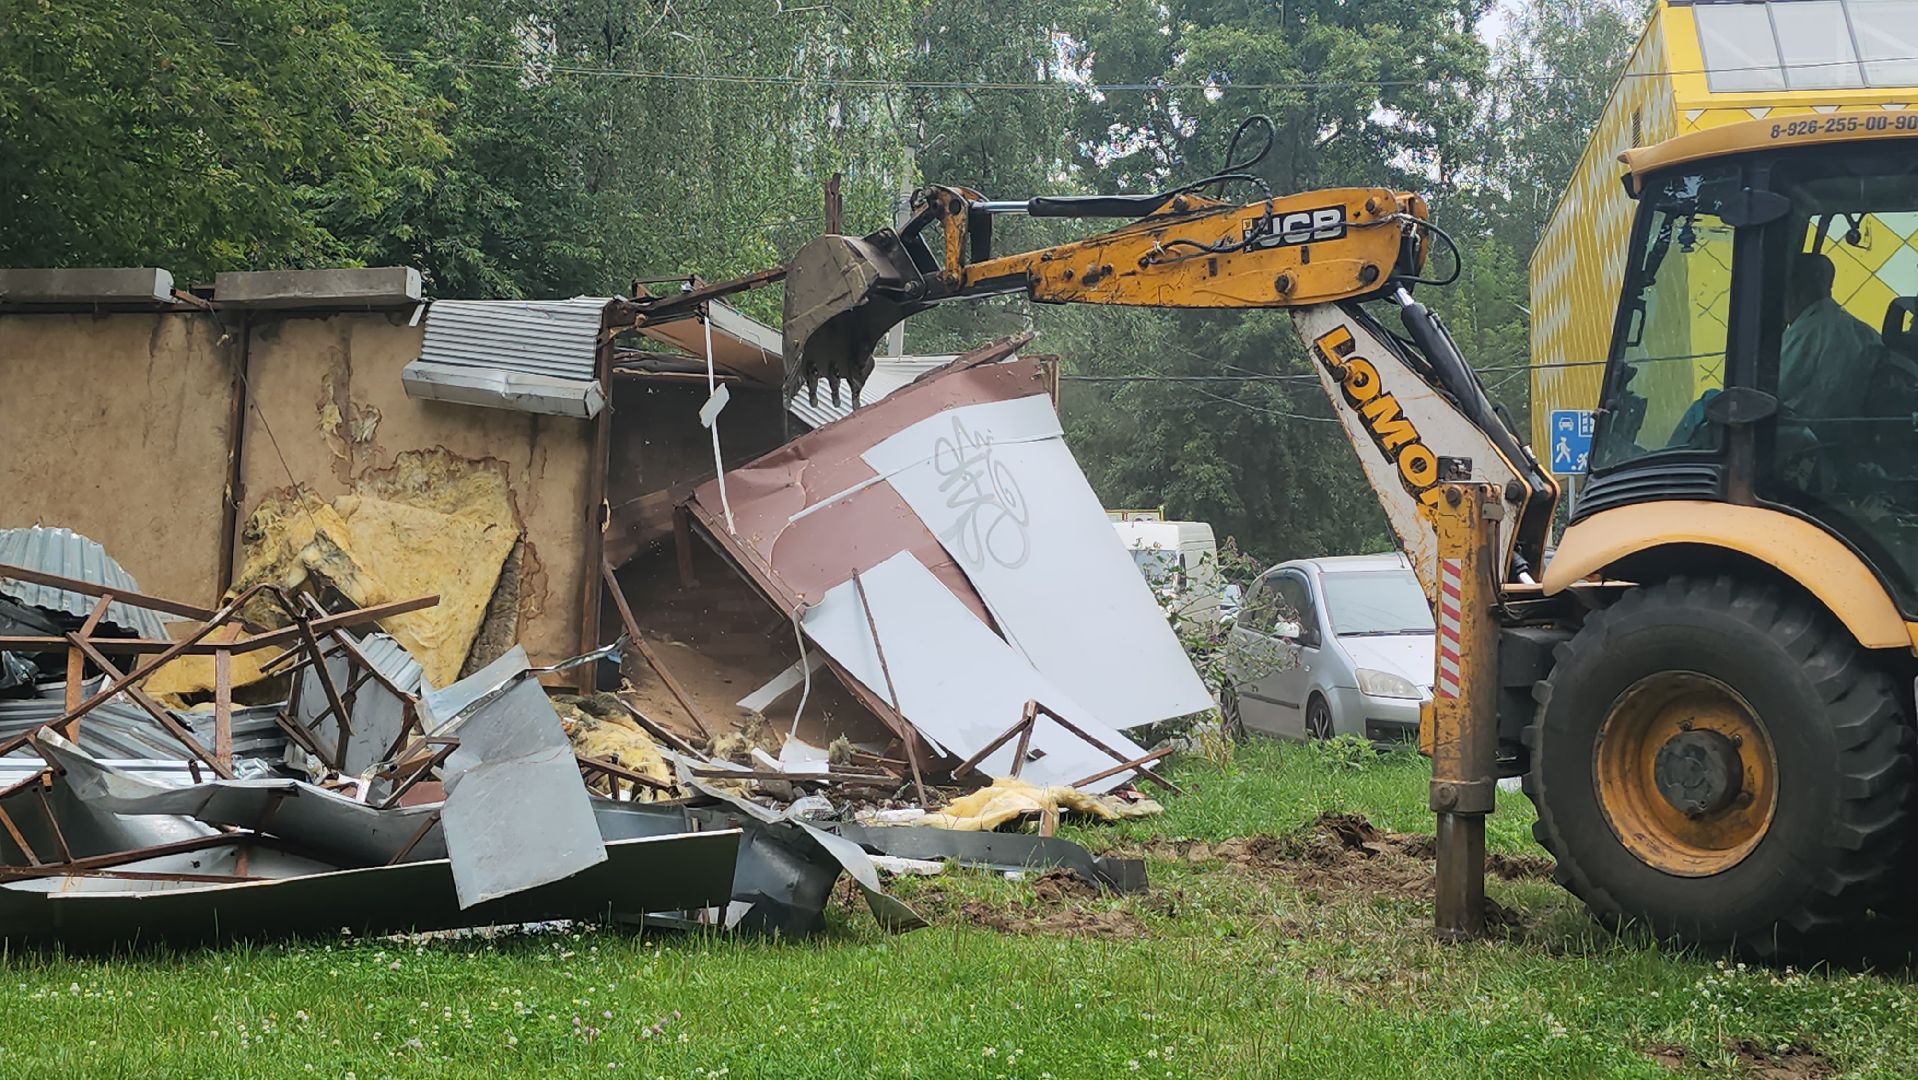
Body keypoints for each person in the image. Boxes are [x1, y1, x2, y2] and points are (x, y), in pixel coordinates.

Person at [1779, 251, 1882, 422]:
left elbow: (1772, 389)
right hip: (1847, 435)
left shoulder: (1809, 329)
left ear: (1795, 290)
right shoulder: (1866, 332)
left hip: (1809, 436)